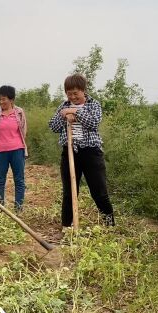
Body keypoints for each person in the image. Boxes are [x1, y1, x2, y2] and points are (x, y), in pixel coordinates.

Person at [49, 74, 114, 228]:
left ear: (83, 91)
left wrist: (75, 112)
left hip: (91, 153)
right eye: (69, 93)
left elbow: (93, 123)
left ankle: (109, 224)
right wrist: (63, 115)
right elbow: (53, 127)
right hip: (70, 152)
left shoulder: (93, 105)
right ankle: (67, 226)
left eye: (76, 93)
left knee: (99, 191)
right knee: (69, 192)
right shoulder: (63, 106)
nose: (72, 97)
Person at [0, 85, 28, 212]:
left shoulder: (19, 112)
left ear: (12, 100)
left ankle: (19, 208)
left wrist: (21, 146)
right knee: (0, 180)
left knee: (19, 180)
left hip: (17, 149)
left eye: (4, 99)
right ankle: (0, 208)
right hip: (0, 150)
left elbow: (23, 130)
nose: (1, 102)